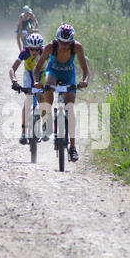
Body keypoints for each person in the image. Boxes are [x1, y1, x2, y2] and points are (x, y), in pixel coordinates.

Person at [33, 24, 90, 162]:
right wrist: (36, 82)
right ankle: (46, 118)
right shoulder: (49, 47)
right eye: (61, 42)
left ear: (72, 41)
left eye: (67, 43)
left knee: (70, 108)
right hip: (53, 72)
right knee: (48, 89)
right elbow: (36, 69)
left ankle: (72, 147)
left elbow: (86, 70)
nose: (64, 46)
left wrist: (85, 81)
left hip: (69, 75)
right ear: (57, 39)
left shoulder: (77, 47)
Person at [10, 33, 46, 144]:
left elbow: (53, 66)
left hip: (42, 74)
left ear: (40, 48)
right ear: (28, 48)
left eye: (37, 49)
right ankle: (23, 132)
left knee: (41, 98)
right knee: (28, 99)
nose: (34, 52)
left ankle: (44, 125)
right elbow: (12, 69)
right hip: (29, 74)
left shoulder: (45, 52)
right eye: (32, 49)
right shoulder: (24, 53)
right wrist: (14, 81)